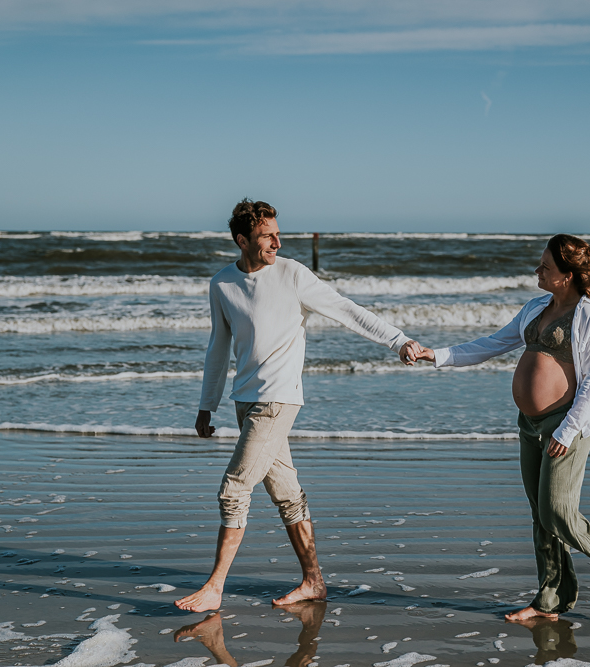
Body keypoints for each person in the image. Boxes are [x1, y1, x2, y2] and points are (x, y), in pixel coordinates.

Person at [175, 199, 419, 613]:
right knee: (287, 495)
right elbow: (218, 347)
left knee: (234, 489)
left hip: (278, 399)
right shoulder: (222, 284)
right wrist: (206, 405)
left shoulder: (292, 274)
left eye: (276, 232)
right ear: (242, 240)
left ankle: (215, 586)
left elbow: (347, 310)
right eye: (267, 235)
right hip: (244, 402)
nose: (277, 241)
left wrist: (399, 341)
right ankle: (314, 582)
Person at [402, 234, 590, 619]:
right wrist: (438, 354)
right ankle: (551, 600)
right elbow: (492, 343)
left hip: (567, 424)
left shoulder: (588, 315)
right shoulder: (535, 307)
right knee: (540, 516)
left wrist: (566, 431)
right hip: (529, 425)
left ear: (566, 275)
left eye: (545, 266)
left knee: (558, 513)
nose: (538, 270)